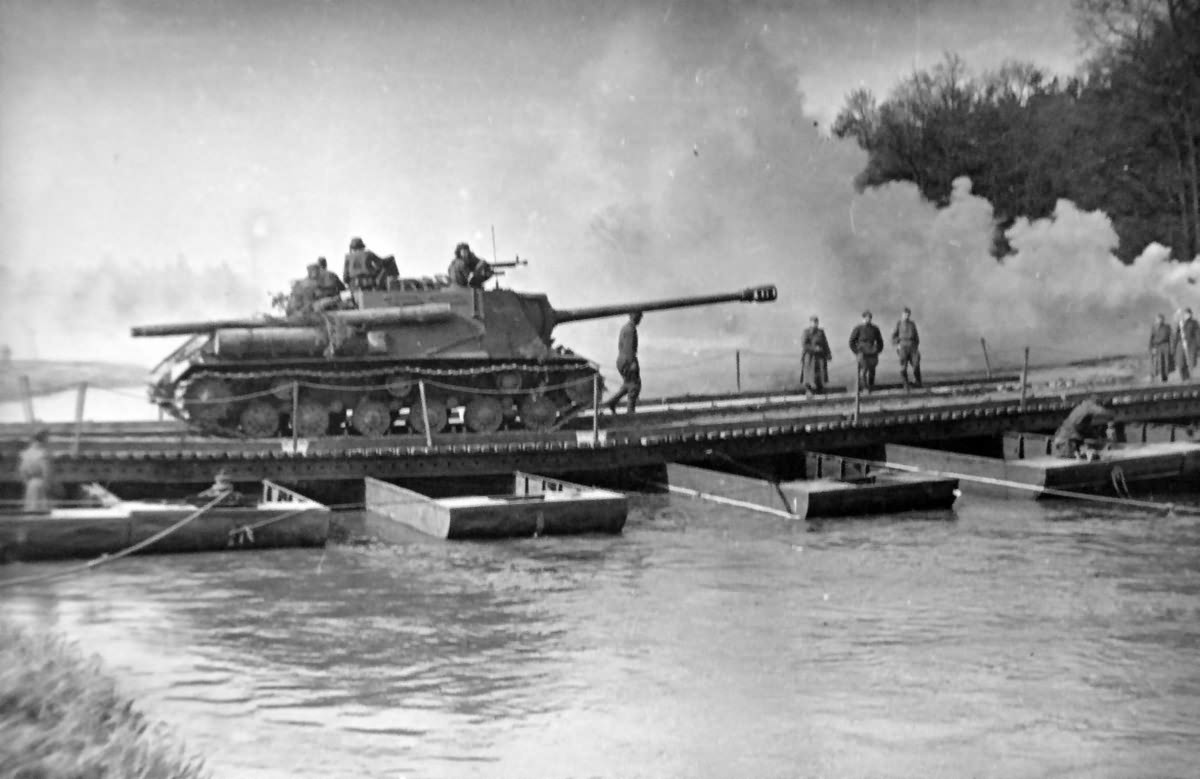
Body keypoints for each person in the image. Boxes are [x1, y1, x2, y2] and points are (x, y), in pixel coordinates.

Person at [605, 311, 642, 415]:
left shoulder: (626, 328)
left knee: (628, 385)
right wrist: (632, 363)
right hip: (627, 360)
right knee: (634, 386)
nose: (640, 319)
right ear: (633, 316)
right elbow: (629, 348)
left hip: (621, 360)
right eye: (638, 316)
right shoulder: (630, 329)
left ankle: (612, 402)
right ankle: (630, 413)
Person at [848, 310, 884, 391]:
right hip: (862, 352)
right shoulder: (858, 328)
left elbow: (880, 341)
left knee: (872, 371)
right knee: (863, 371)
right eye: (866, 318)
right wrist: (857, 352)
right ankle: (864, 388)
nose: (868, 319)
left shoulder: (875, 329)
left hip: (872, 352)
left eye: (869, 318)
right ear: (863, 318)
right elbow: (851, 341)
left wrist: (878, 350)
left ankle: (871, 386)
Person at [18, 429, 53, 512]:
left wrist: (26, 482)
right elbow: (46, 470)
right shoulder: (42, 453)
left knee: (30, 506)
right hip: (40, 482)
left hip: (30, 483)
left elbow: (22, 470)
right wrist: (47, 483)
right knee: (40, 508)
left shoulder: (26, 453)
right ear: (43, 439)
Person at [891, 307, 922, 389]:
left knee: (916, 364)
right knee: (903, 366)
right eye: (905, 314)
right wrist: (898, 344)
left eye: (908, 314)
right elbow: (893, 337)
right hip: (903, 347)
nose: (906, 316)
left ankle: (918, 383)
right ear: (902, 315)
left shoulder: (912, 324)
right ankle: (905, 384)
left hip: (912, 347)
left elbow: (916, 336)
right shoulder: (899, 323)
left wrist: (916, 346)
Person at [800, 315, 832, 393]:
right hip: (809, 356)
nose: (815, 324)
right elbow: (804, 345)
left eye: (816, 322)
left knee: (820, 372)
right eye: (813, 322)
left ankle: (819, 388)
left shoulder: (821, 332)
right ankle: (809, 389)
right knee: (809, 373)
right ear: (810, 323)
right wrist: (814, 348)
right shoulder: (806, 332)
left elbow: (825, 343)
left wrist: (828, 353)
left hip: (820, 356)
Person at [1175, 307, 1198, 380]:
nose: (1187, 315)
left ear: (1191, 314)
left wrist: (1197, 346)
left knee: (1190, 364)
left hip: (1191, 345)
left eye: (1188, 314)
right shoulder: (1181, 323)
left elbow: (1197, 334)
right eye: (1186, 314)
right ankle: (1184, 379)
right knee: (1181, 364)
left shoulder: (1194, 323)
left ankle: (1189, 380)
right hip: (1181, 344)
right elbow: (1177, 334)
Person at [1149, 313, 1174, 382]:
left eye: (1160, 319)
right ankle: (1156, 378)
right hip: (1157, 347)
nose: (1159, 320)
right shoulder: (1154, 327)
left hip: (1165, 346)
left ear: (1163, 320)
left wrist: (1171, 347)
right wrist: (1151, 348)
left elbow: (1168, 336)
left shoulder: (1167, 327)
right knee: (1157, 363)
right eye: (1157, 319)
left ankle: (1165, 378)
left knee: (1166, 362)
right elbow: (1151, 338)